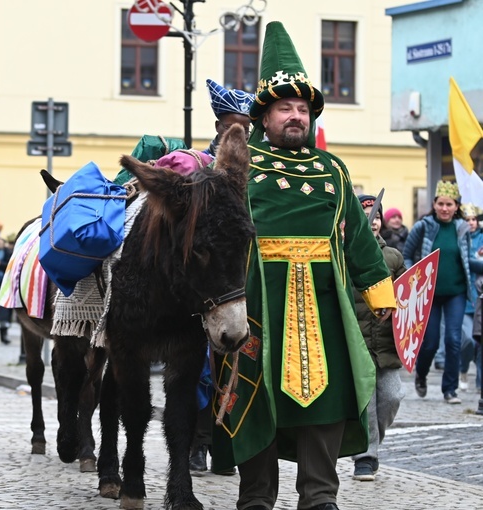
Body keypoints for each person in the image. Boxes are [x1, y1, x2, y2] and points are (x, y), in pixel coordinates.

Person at [210, 22, 396, 510]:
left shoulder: (333, 171)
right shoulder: (238, 166)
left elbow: (358, 237)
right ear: (264, 117)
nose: (295, 116)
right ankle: (255, 499)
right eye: (284, 108)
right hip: (256, 307)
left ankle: (319, 498)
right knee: (256, 399)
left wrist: (380, 294)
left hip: (325, 310)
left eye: (302, 109)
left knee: (326, 402)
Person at [188, 79, 254, 475]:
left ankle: (229, 447)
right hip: (208, 289)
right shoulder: (197, 167)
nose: (242, 135)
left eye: (248, 128)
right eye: (235, 127)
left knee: (239, 370)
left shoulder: (260, 170)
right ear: (219, 128)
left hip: (245, 285)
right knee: (202, 370)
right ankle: (198, 442)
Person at [404, 182, 481, 404]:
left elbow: (467, 260)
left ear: (456, 206)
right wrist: (414, 276)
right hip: (429, 294)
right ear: (434, 205)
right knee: (429, 343)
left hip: (456, 292)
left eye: (449, 204)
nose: (445, 208)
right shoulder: (424, 226)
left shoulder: (462, 228)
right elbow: (407, 254)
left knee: (454, 340)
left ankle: (450, 390)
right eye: (441, 204)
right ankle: (421, 373)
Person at [351, 194, 406, 482]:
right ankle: (366, 456)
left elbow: (408, 297)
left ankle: (371, 445)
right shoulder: (346, 254)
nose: (373, 220)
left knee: (392, 396)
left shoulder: (394, 257)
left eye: (377, 214)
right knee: (367, 403)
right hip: (358, 342)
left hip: (386, 343)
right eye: (366, 214)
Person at [459, 203, 483, 391]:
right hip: (467, 300)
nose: (471, 223)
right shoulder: (460, 238)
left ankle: (480, 385)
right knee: (467, 340)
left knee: (480, 343)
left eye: (473, 219)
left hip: (480, 299)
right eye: (467, 220)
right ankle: (464, 369)